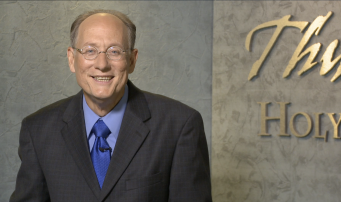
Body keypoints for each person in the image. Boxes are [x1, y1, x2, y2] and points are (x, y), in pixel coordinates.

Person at [10, 9, 212, 202]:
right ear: (72, 59)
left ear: (132, 60)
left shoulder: (179, 126)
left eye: (114, 51)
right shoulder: (37, 130)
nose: (102, 64)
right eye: (90, 50)